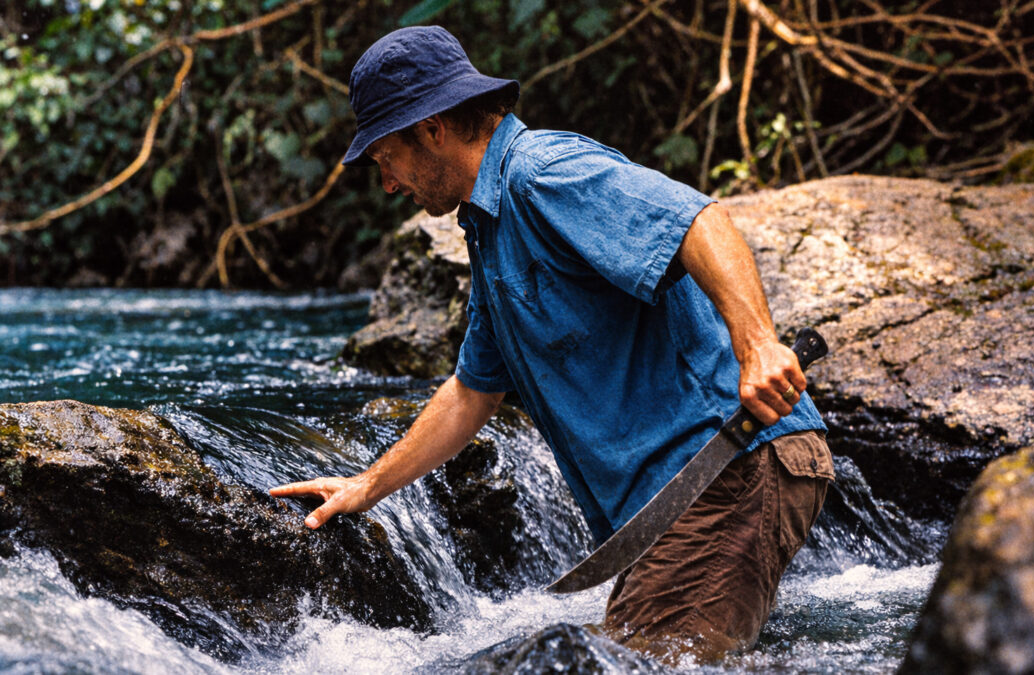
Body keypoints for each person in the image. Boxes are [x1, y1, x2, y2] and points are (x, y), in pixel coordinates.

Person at [270, 25, 834, 661]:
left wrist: (758, 346)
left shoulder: (544, 173)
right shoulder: (490, 230)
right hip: (683, 498)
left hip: (726, 463)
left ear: (432, 129)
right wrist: (366, 486)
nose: (388, 183)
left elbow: (701, 222)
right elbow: (471, 393)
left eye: (385, 158)